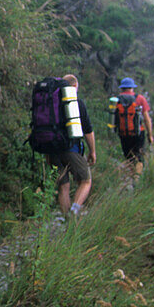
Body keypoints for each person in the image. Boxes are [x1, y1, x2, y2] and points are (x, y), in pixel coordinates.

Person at [47, 74, 96, 215]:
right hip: (71, 149)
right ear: (74, 86)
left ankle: (67, 224)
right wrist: (92, 151)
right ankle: (74, 211)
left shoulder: (51, 102)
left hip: (51, 150)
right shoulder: (76, 103)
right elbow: (87, 130)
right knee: (86, 181)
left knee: (63, 186)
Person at [115, 77, 154, 176]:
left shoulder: (116, 100)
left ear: (122, 88)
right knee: (139, 156)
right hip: (138, 132)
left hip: (123, 133)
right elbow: (146, 119)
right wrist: (150, 135)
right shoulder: (140, 98)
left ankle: (133, 176)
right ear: (132, 87)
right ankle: (137, 178)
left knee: (129, 157)